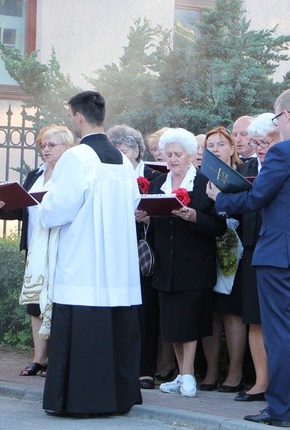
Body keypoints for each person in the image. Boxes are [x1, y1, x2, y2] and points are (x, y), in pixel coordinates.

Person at [207, 89, 290, 428]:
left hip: (281, 254)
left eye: (277, 118)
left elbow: (257, 198)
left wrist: (221, 199)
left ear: (287, 115)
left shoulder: (283, 152)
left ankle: (279, 410)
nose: (277, 125)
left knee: (279, 333)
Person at [38, 91, 143, 416]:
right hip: (118, 268)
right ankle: (118, 399)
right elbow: (135, 204)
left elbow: (58, 209)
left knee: (83, 337)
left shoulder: (77, 158)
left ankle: (82, 400)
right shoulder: (124, 161)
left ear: (78, 117)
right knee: (115, 334)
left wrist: (44, 207)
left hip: (83, 267)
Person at [144, 128, 226, 399]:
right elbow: (154, 227)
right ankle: (182, 374)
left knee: (189, 321)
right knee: (172, 325)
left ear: (191, 155)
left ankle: (188, 374)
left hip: (194, 265)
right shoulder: (158, 184)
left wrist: (194, 217)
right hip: (165, 265)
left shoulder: (205, 183)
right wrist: (145, 218)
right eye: (168, 154)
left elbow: (219, 226)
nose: (172, 159)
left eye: (178, 154)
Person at [0, 124, 75, 377]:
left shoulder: (71, 175)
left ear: (67, 147)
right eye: (42, 145)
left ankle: (58, 359)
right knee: (35, 304)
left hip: (60, 248)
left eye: (51, 145)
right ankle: (40, 358)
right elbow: (24, 208)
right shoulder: (35, 174)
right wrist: (0, 207)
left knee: (56, 303)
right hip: (35, 247)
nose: (45, 150)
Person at [107, 124, 162, 391]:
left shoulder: (153, 175)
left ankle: (145, 370)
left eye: (124, 149)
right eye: (114, 149)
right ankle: (118, 365)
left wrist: (150, 217)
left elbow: (166, 209)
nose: (119, 154)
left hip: (144, 251)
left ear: (137, 150)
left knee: (145, 311)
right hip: (115, 248)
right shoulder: (108, 175)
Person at [231, 113, 280, 403]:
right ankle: (260, 382)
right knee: (254, 318)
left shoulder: (285, 166)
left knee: (278, 320)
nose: (260, 147)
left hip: (278, 246)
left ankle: (281, 382)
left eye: (265, 141)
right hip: (251, 247)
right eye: (256, 142)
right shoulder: (246, 168)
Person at [199, 126, 248, 393]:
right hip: (208, 249)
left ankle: (236, 371)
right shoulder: (201, 177)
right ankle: (211, 370)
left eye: (220, 144)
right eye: (210, 146)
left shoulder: (241, 176)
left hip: (236, 249)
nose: (215, 149)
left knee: (231, 312)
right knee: (211, 312)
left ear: (232, 148)